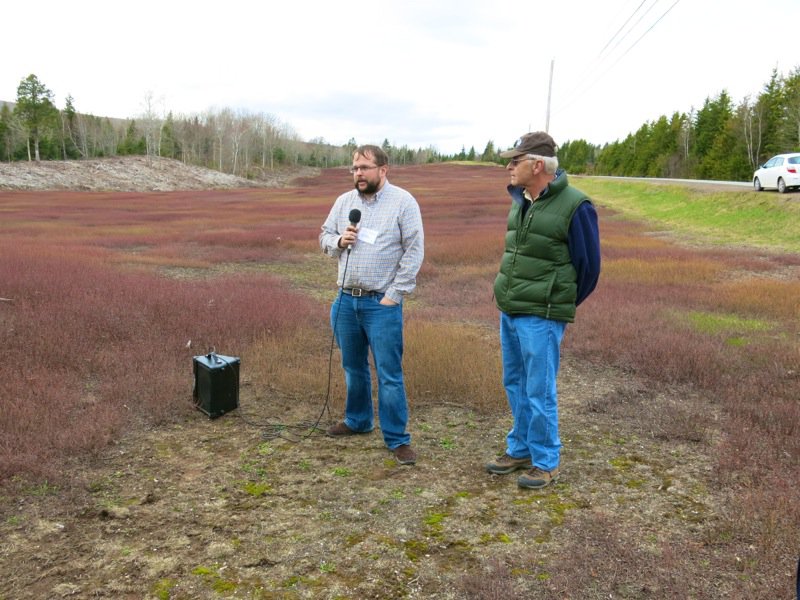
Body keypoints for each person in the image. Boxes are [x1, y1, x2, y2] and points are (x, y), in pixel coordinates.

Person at [485, 131, 601, 489]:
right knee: (515, 383)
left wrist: (554, 303)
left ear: (537, 165)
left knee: (539, 389)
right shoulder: (521, 200)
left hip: (541, 316)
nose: (508, 166)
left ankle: (546, 460)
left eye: (515, 160)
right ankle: (519, 448)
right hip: (510, 308)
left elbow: (589, 268)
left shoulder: (576, 205)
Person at [319, 144, 424, 465]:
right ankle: (358, 420)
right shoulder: (344, 203)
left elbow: (414, 250)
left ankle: (396, 438)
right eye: (354, 168)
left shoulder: (403, 202)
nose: (358, 174)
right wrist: (338, 241)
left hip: (382, 304)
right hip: (345, 300)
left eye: (364, 168)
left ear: (383, 170)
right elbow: (324, 235)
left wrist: (395, 294)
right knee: (353, 368)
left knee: (389, 374)